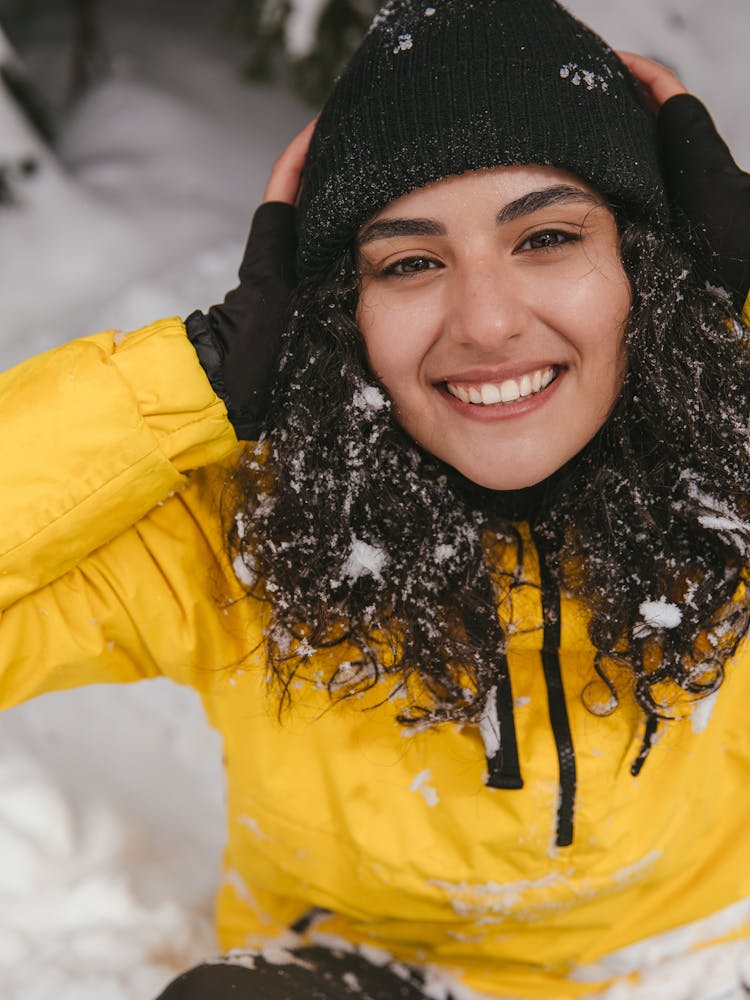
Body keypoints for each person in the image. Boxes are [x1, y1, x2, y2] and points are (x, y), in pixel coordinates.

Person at [2, 1, 750, 997]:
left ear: (641, 267)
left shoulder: (730, 457)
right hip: (367, 972)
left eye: (548, 238)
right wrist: (193, 379)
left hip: (704, 953)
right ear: (343, 313)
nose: (485, 321)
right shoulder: (243, 530)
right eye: (410, 262)